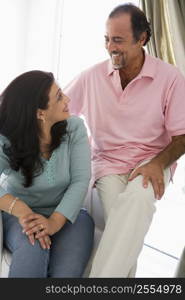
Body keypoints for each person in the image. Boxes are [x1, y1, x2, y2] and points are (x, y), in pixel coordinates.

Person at [64, 4, 185, 277]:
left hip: (152, 161)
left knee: (138, 202)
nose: (110, 47)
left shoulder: (171, 79)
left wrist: (158, 164)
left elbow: (182, 136)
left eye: (118, 40)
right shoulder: (92, 76)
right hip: (107, 164)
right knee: (127, 226)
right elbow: (57, 111)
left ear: (141, 39)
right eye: (107, 39)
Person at [0, 70, 94, 278]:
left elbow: (80, 181)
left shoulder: (74, 128)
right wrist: (22, 211)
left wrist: (53, 223)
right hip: (19, 217)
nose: (67, 99)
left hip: (69, 216)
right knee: (32, 252)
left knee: (67, 273)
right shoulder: (6, 139)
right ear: (39, 113)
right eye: (59, 96)